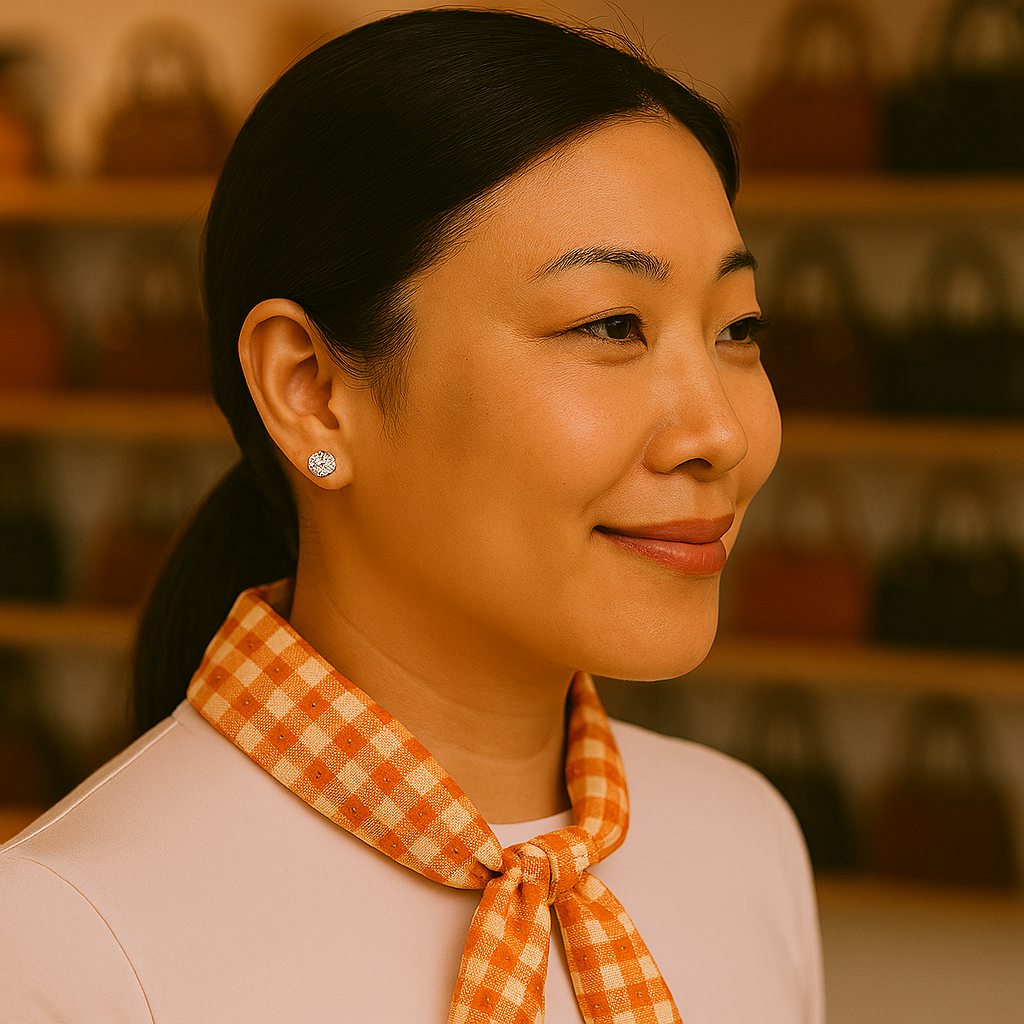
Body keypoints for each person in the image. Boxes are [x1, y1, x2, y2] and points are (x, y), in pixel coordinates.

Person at [0, 9, 822, 1023]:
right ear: (309, 388)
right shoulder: (63, 936)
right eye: (611, 323)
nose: (722, 433)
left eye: (740, 328)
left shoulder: (746, 838)